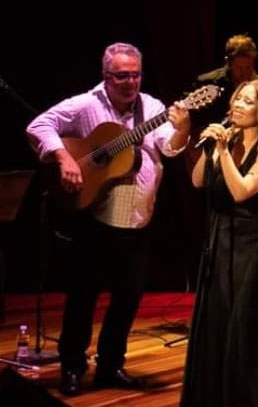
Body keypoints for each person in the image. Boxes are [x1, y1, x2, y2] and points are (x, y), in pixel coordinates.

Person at [26, 42, 191, 396]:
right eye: (122, 76)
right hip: (94, 214)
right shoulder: (86, 104)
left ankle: (111, 365)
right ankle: (72, 366)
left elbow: (169, 147)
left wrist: (182, 128)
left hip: (137, 216)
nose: (130, 82)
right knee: (83, 295)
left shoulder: (152, 108)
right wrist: (64, 158)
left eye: (135, 75)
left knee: (128, 297)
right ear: (106, 76)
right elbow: (40, 125)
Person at [180, 79, 258, 407]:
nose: (238, 106)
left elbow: (242, 191)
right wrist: (211, 148)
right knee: (215, 323)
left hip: (250, 244)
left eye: (248, 101)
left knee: (242, 325)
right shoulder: (226, 139)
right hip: (218, 240)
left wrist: (222, 152)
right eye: (237, 99)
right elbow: (197, 181)